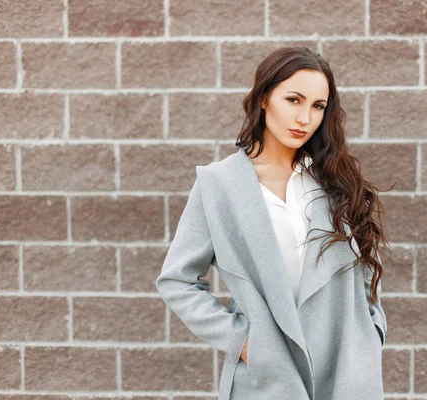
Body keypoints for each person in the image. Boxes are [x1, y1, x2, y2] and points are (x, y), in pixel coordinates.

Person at [156, 46, 393, 400]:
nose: (305, 118)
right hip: (269, 378)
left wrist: (372, 332)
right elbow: (177, 280)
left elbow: (364, 272)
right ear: (265, 98)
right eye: (293, 100)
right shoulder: (219, 185)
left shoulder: (333, 180)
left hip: (347, 372)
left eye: (318, 106)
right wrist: (244, 342)